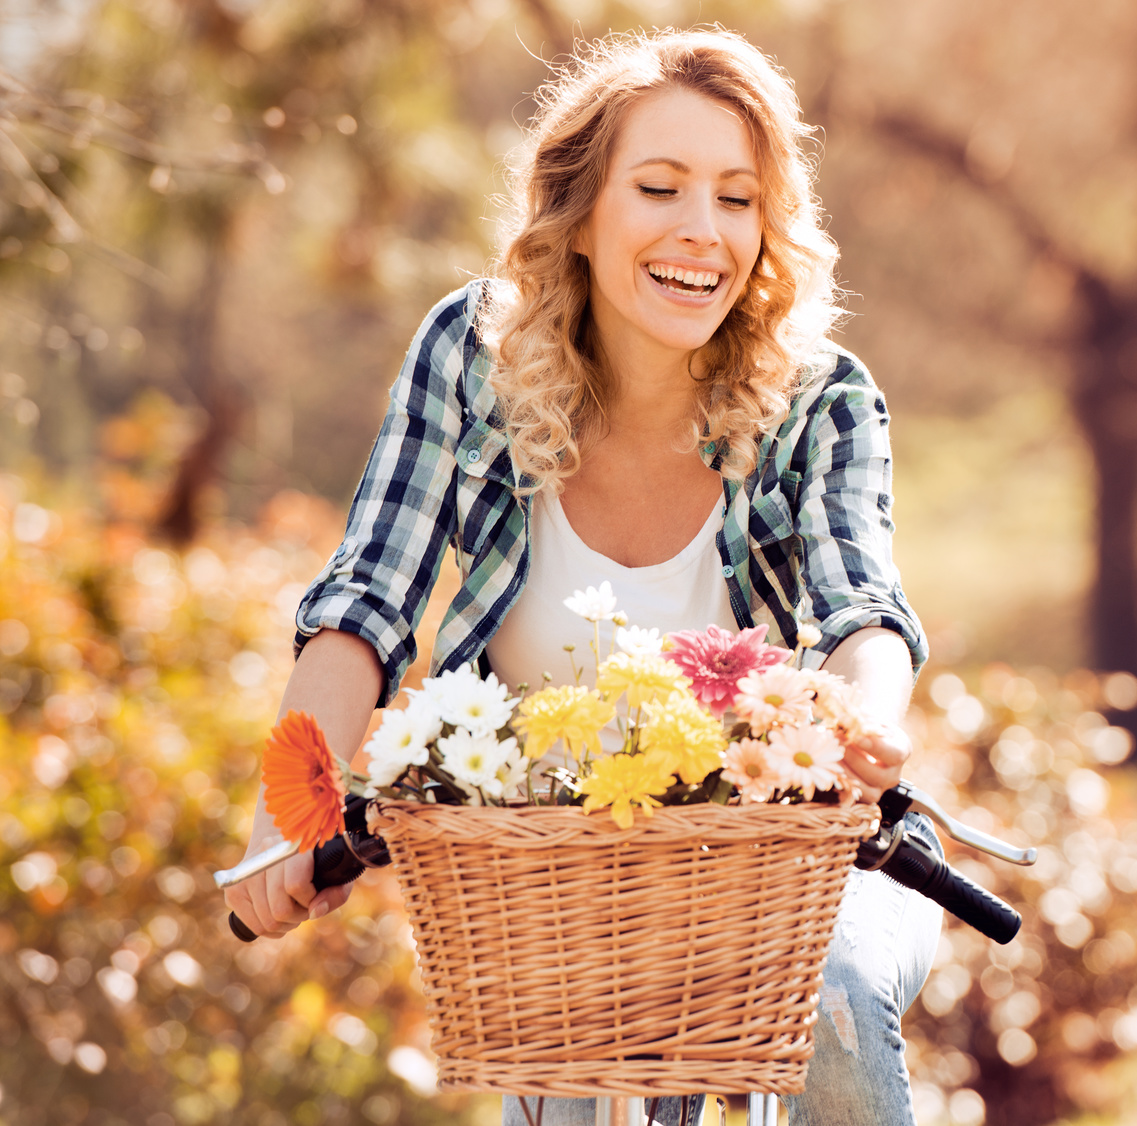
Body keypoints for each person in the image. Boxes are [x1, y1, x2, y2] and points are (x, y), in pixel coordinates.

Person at [224, 28, 942, 1126]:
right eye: (659, 186)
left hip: (792, 862)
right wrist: (287, 819)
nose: (702, 230)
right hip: (564, 882)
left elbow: (862, 611)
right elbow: (369, 596)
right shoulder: (474, 359)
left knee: (831, 1006)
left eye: (739, 198)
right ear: (582, 208)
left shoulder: (820, 397)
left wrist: (863, 729)